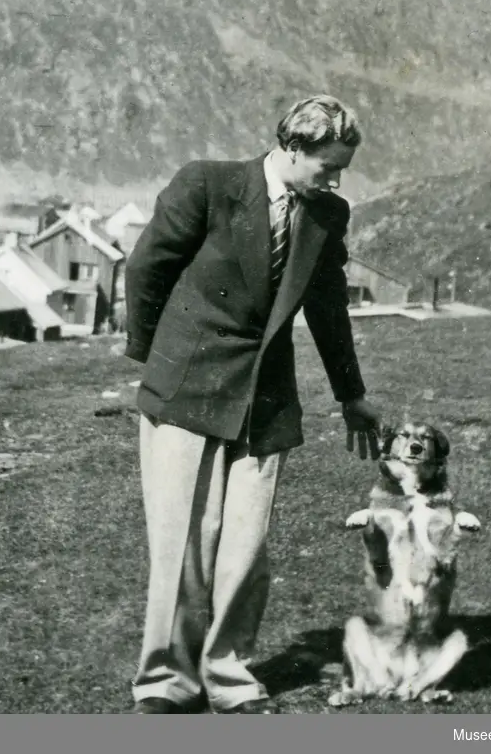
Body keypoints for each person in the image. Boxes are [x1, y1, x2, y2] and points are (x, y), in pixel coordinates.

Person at [123, 94, 383, 714]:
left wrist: (352, 396)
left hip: (264, 399)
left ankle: (228, 674)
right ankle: (166, 681)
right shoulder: (207, 185)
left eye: (343, 168)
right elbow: (146, 269)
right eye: (328, 165)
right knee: (183, 540)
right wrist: (160, 361)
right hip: (185, 389)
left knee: (245, 543)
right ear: (292, 149)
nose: (337, 179)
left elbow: (326, 307)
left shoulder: (327, 215)